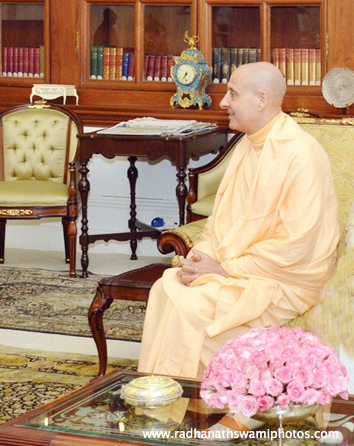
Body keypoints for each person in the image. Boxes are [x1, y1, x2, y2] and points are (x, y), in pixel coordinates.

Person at [138, 62, 339, 429]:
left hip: (283, 278)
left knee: (188, 308)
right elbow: (222, 223)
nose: (224, 102)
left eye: (232, 93)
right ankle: (164, 402)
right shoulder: (249, 145)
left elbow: (296, 245)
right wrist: (203, 257)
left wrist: (225, 268)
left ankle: (175, 414)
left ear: (262, 99)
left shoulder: (300, 154)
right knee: (165, 290)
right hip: (238, 267)